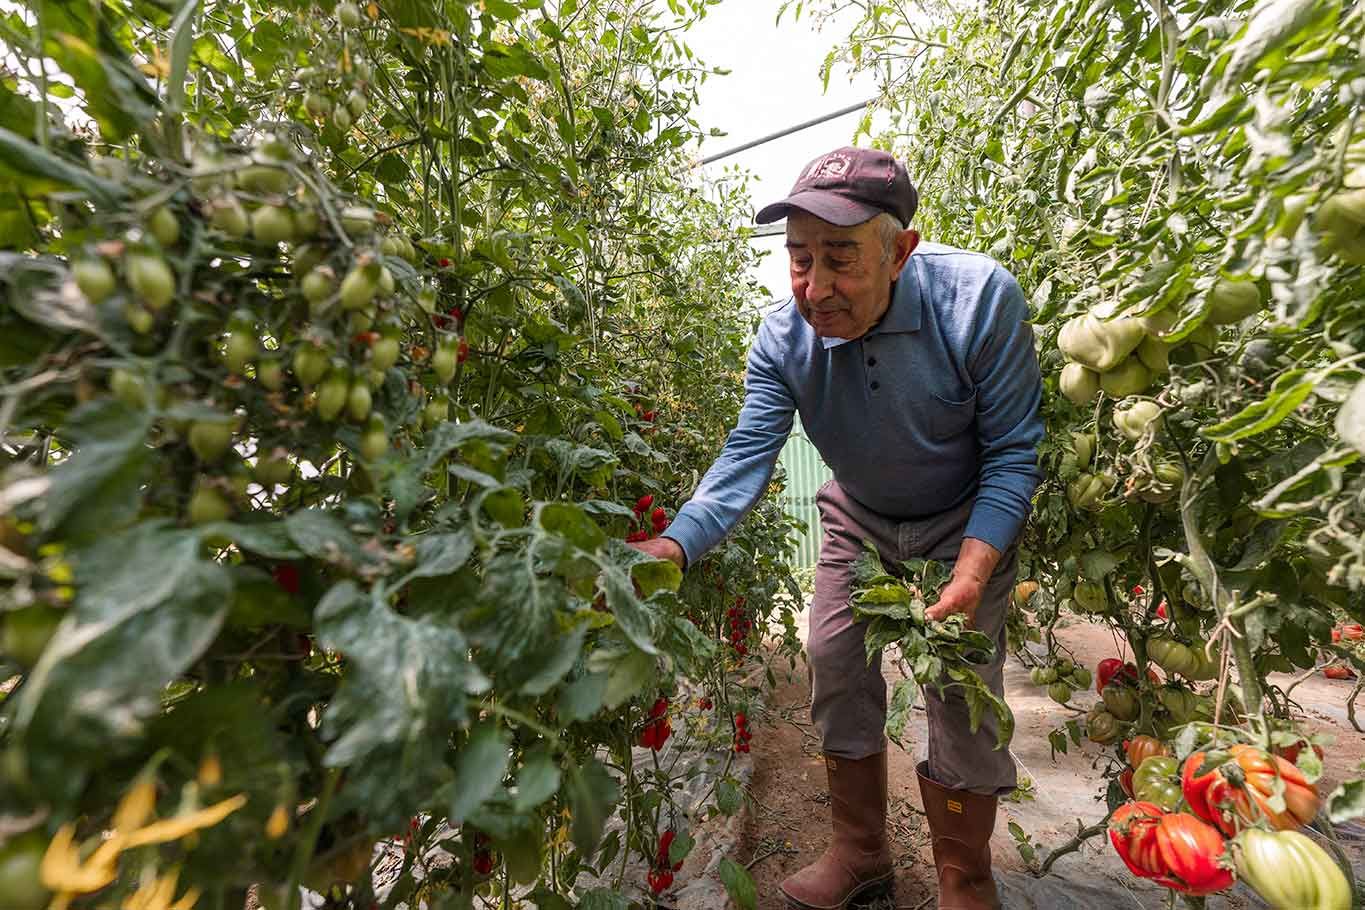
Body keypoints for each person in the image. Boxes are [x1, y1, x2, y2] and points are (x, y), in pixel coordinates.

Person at [630, 145, 1043, 910]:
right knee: (831, 657)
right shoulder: (783, 338)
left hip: (965, 522)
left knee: (959, 691)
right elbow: (745, 459)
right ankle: (861, 852)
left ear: (900, 252)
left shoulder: (979, 299)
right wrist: (673, 543)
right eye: (798, 259)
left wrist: (973, 571)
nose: (814, 288)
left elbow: (1014, 451)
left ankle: (965, 876)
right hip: (860, 513)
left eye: (839, 259)